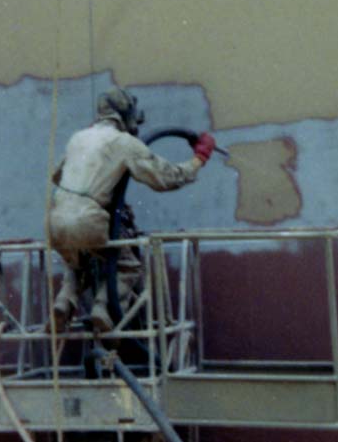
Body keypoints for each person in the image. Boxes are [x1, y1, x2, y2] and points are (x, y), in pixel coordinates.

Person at [48, 87, 215, 332]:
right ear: (125, 114)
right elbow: (166, 178)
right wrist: (199, 159)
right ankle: (104, 309)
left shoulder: (78, 138)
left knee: (77, 263)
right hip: (88, 220)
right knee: (127, 265)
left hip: (55, 220)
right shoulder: (124, 143)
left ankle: (63, 302)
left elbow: (57, 175)